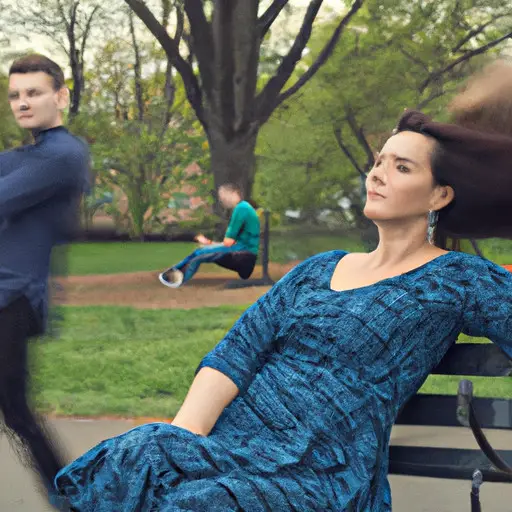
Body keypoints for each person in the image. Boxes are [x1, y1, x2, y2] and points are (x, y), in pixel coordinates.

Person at [53, 63, 512, 510]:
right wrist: (183, 443)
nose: (376, 174)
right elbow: (237, 353)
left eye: (402, 167)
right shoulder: (318, 269)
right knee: (141, 453)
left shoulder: (456, 278)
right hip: (233, 447)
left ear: (440, 195)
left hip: (318, 473)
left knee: (201, 502)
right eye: (377, 162)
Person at [0, 54, 89, 502]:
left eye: (33, 92)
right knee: (15, 410)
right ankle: (68, 494)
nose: (22, 103)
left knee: (16, 410)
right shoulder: (24, 155)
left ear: (61, 96)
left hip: (13, 298)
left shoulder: (64, 155)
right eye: (15, 95)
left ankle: (69, 495)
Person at [159, 183, 260, 287]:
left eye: (223, 195)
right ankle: (175, 274)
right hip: (243, 250)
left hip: (243, 253)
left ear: (234, 193)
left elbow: (228, 243)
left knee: (200, 253)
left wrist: (209, 243)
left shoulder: (241, 209)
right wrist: (209, 244)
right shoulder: (244, 207)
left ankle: (176, 278)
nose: (221, 199)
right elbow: (232, 243)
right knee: (200, 251)